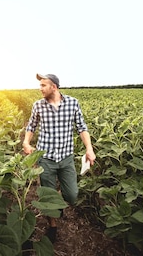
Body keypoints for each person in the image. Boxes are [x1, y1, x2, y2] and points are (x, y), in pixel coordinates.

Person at [22, 73, 96, 243]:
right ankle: (53, 226)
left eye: (43, 85)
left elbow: (81, 128)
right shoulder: (38, 106)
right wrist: (26, 142)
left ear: (53, 87)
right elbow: (31, 126)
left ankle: (58, 198)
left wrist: (89, 149)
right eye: (39, 85)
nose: (40, 88)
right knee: (47, 198)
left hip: (66, 157)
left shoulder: (72, 103)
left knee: (72, 195)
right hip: (45, 158)